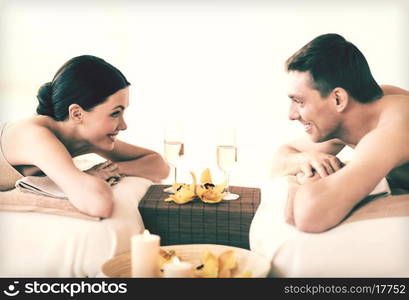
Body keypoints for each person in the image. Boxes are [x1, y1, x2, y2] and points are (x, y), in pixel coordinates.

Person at [0, 55, 169, 217]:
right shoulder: (34, 135)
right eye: (115, 113)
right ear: (77, 114)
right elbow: (98, 203)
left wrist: (112, 169)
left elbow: (159, 165)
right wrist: (88, 176)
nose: (124, 126)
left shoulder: (87, 138)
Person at [272, 33, 409, 233]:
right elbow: (279, 160)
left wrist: (302, 182)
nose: (291, 115)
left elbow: (309, 215)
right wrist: (305, 161)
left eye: (300, 101)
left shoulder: (392, 127)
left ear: (338, 99)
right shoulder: (357, 111)